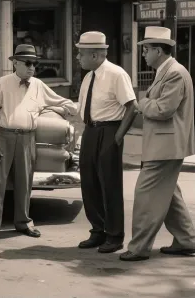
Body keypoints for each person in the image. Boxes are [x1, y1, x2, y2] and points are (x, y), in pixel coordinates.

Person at [0, 44, 77, 243]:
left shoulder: (38, 85)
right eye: (28, 63)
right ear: (15, 63)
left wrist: (63, 110)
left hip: (27, 138)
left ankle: (23, 222)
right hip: (4, 136)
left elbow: (63, 103)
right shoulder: (1, 84)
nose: (33, 67)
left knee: (25, 183)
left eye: (35, 63)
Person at [120, 26, 195, 261]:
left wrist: (143, 104)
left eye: (146, 50)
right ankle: (186, 240)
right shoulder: (168, 70)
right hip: (165, 146)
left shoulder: (174, 73)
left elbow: (164, 109)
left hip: (165, 148)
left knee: (146, 197)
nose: (143, 54)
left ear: (159, 51)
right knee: (169, 196)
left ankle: (138, 247)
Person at [76, 31, 137, 253]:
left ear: (95, 55)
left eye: (80, 53)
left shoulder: (116, 74)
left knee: (109, 185)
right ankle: (98, 231)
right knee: (89, 183)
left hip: (110, 130)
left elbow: (132, 106)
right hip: (91, 131)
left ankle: (114, 235)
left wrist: (118, 137)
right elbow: (84, 108)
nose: (78, 58)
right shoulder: (88, 76)